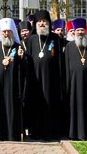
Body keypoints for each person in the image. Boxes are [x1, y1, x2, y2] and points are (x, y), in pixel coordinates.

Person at [24, 10, 65, 140]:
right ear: (36, 23)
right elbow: (28, 60)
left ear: (49, 23)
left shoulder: (56, 39)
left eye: (44, 21)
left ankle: (51, 132)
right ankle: (36, 132)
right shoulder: (31, 40)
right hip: (34, 80)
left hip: (51, 79)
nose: (42, 23)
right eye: (40, 21)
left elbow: (60, 61)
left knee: (51, 104)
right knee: (35, 105)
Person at [0, 17, 27, 141]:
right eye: (4, 31)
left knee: (12, 108)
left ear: (12, 32)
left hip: (13, 86)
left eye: (8, 31)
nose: (6, 33)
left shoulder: (18, 48)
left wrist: (22, 58)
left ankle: (12, 134)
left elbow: (25, 70)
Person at [65, 17, 87, 140]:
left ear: (85, 31)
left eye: (82, 30)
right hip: (74, 84)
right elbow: (66, 66)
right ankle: (75, 134)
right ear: (74, 31)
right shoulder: (69, 46)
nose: (80, 32)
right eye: (78, 30)